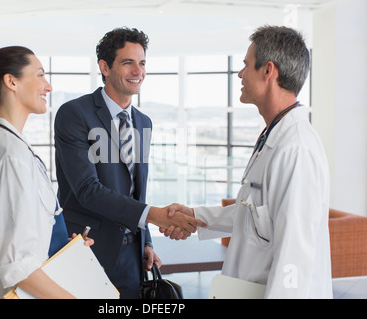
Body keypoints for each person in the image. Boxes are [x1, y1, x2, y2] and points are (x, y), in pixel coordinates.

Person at [162, 26, 332, 298]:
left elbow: (295, 258)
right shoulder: (274, 136)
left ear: (268, 71)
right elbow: (255, 212)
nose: (240, 74)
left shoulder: (296, 149)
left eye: (245, 65)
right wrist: (196, 216)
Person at [54, 27, 205, 299]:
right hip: (87, 249)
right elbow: (87, 189)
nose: (138, 71)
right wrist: (155, 215)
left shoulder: (143, 122)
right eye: (128, 62)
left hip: (132, 255)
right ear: (104, 67)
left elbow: (137, 190)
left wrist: (145, 240)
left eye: (142, 62)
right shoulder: (75, 114)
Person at [0, 46, 93, 299]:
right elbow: (16, 267)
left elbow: (22, 234)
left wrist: (60, 245)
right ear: (12, 81)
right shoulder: (9, 154)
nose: (48, 86)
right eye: (39, 75)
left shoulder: (10, 146)